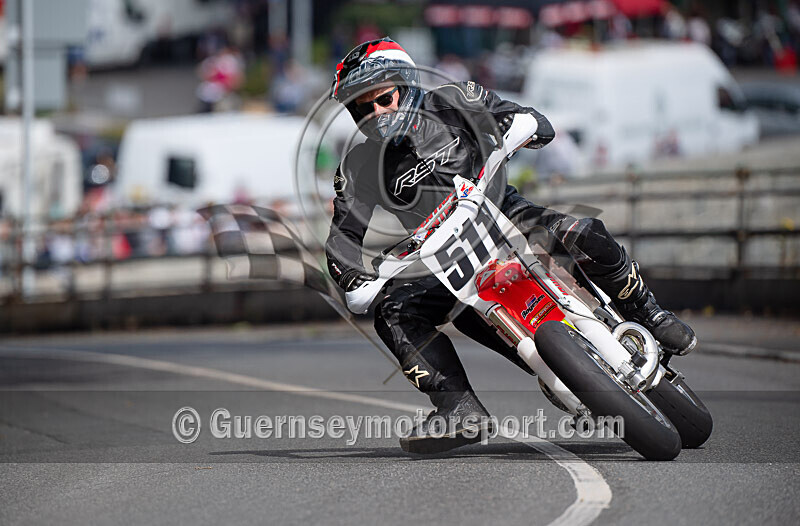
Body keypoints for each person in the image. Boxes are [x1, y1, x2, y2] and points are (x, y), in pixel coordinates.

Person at [325, 38, 696, 454]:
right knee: (393, 311)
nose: (375, 113)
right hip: (445, 261)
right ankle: (458, 409)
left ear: (406, 85)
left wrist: (521, 129)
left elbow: (530, 120)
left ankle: (647, 310)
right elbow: (342, 238)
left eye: (383, 98)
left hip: (504, 212)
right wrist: (355, 276)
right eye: (361, 107)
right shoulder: (357, 166)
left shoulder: (454, 100)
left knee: (583, 230)